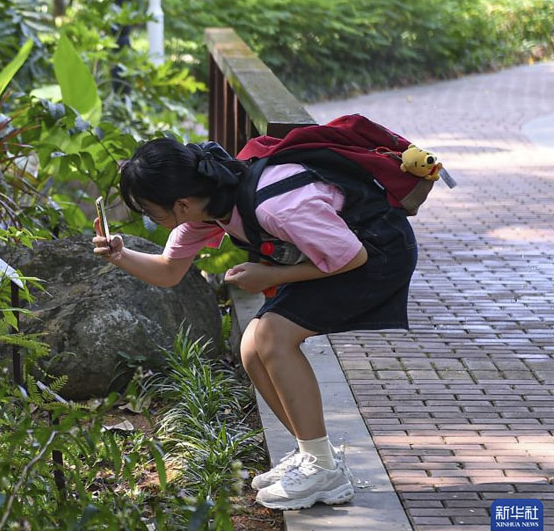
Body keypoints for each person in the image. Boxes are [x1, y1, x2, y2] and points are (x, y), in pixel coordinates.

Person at [92, 137, 417, 510]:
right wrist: (119, 255)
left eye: (152, 211)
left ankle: (322, 469)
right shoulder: (209, 207)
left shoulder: (277, 207)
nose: (153, 220)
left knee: (274, 338)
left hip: (377, 254)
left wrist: (268, 274)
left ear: (180, 204)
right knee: (252, 346)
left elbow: (352, 258)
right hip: (339, 254)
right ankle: (315, 455)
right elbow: (169, 271)